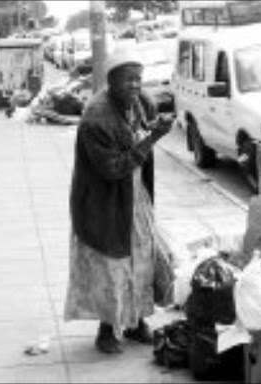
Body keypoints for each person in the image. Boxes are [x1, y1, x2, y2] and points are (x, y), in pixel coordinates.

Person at [64, 48, 172, 354]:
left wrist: (153, 127)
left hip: (134, 196)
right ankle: (107, 330)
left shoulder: (140, 101)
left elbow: (141, 129)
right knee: (111, 266)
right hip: (104, 202)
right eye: (128, 80)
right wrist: (152, 139)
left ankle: (136, 322)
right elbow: (112, 169)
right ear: (111, 82)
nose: (136, 86)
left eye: (139, 79)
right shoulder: (95, 119)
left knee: (140, 261)